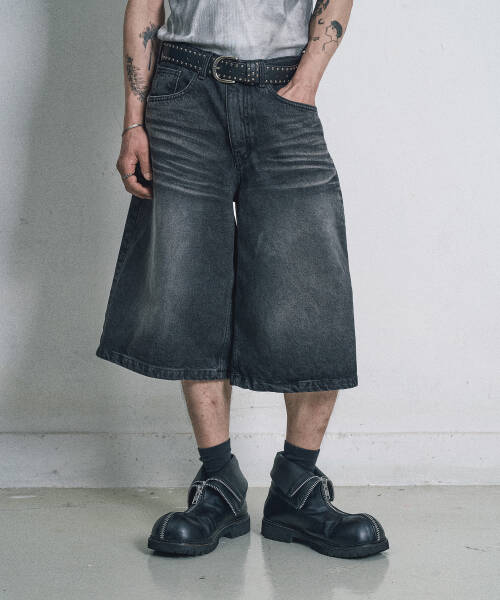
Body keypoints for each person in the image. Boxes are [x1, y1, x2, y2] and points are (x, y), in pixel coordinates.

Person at [96, 0, 389, 558]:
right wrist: (134, 120)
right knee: (188, 281)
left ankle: (297, 488)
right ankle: (219, 485)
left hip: (283, 88)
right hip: (183, 92)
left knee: (310, 286)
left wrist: (306, 80)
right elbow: (146, 4)